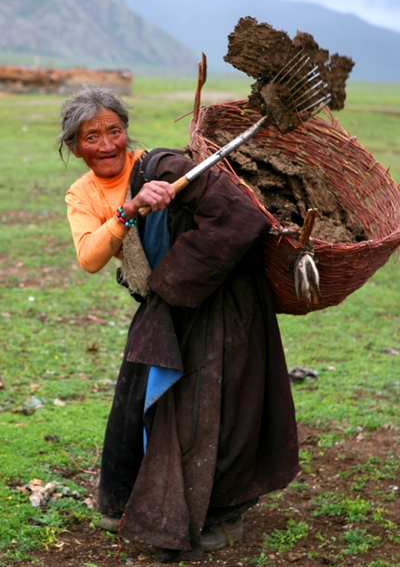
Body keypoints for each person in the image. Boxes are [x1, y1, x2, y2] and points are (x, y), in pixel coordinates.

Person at [62, 85, 299, 563]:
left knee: (224, 402)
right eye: (92, 137)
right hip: (166, 300)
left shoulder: (165, 166)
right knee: (138, 396)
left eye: (115, 131)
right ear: (73, 146)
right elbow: (89, 256)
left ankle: (221, 513)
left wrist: (171, 210)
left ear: (127, 131)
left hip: (219, 300)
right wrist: (131, 211)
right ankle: (125, 501)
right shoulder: (84, 193)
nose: (107, 145)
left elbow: (237, 219)